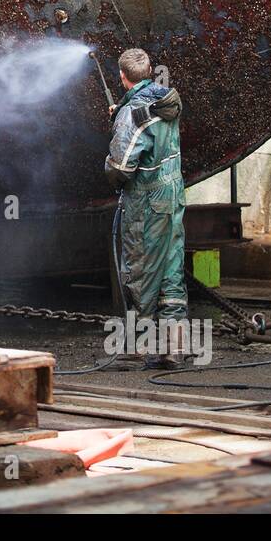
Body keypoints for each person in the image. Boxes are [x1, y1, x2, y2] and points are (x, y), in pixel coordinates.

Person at [104, 48, 188, 368]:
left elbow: (122, 167)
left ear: (123, 77)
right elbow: (149, 122)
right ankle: (174, 347)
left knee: (139, 267)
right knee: (170, 267)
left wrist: (119, 125)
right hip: (173, 195)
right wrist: (122, 112)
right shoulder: (167, 101)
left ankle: (138, 344)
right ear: (150, 70)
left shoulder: (132, 113)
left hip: (146, 201)